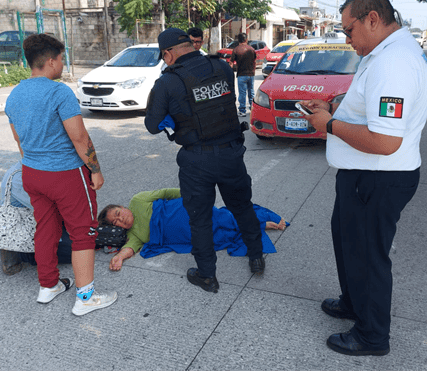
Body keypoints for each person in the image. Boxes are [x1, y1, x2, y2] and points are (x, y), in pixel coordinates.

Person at [301, 0, 427, 356]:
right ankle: (353, 303)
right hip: (362, 174)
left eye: (348, 30)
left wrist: (327, 124)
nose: (347, 39)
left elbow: (385, 140)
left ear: (372, 19)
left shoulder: (394, 63)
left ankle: (372, 336)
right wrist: (332, 105)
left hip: (378, 176)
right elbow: (368, 105)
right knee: (348, 242)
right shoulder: (384, 53)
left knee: (368, 255)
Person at [144, 28, 265, 294]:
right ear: (191, 44)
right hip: (232, 151)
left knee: (200, 218)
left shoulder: (167, 82)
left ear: (168, 54)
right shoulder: (220, 66)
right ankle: (256, 256)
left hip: (197, 159)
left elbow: (152, 125)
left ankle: (207, 275)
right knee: (242, 207)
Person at [5, 33, 117, 316]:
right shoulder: (59, 92)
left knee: (45, 227)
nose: (63, 64)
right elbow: (80, 138)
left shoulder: (15, 94)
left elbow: (19, 141)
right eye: (62, 59)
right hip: (65, 175)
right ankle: (86, 298)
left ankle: (49, 285)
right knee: (83, 233)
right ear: (52, 61)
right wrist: (96, 170)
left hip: (31, 172)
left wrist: (36, 164)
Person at [97, 188, 286, 271]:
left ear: (122, 207)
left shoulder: (138, 200)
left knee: (222, 219)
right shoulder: (134, 235)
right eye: (116, 223)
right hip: (185, 235)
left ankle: (258, 222)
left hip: (182, 210)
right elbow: (129, 247)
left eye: (118, 213)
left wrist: (192, 195)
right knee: (220, 235)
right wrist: (119, 257)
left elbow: (166, 193)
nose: (121, 219)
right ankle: (255, 225)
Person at [0, 161, 72, 275]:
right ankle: (17, 252)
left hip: (39, 220)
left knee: (83, 238)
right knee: (74, 249)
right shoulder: (19, 178)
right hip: (25, 230)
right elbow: (49, 209)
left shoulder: (37, 169)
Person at [230, 33, 256, 117]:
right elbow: (255, 61)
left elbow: (231, 63)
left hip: (241, 74)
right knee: (251, 92)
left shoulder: (236, 49)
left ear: (238, 40)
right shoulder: (251, 49)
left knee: (242, 93)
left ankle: (242, 110)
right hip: (251, 74)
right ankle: (252, 109)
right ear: (246, 39)